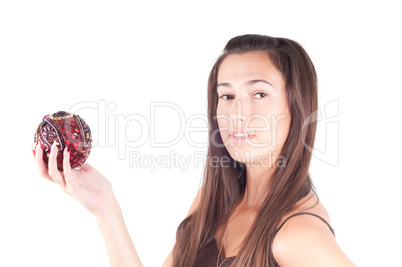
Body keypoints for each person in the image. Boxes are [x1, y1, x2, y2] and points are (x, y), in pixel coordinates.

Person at [33, 34, 355, 267]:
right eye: (226, 96)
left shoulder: (296, 233)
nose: (238, 114)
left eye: (259, 94)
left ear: (296, 108)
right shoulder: (212, 201)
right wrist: (105, 208)